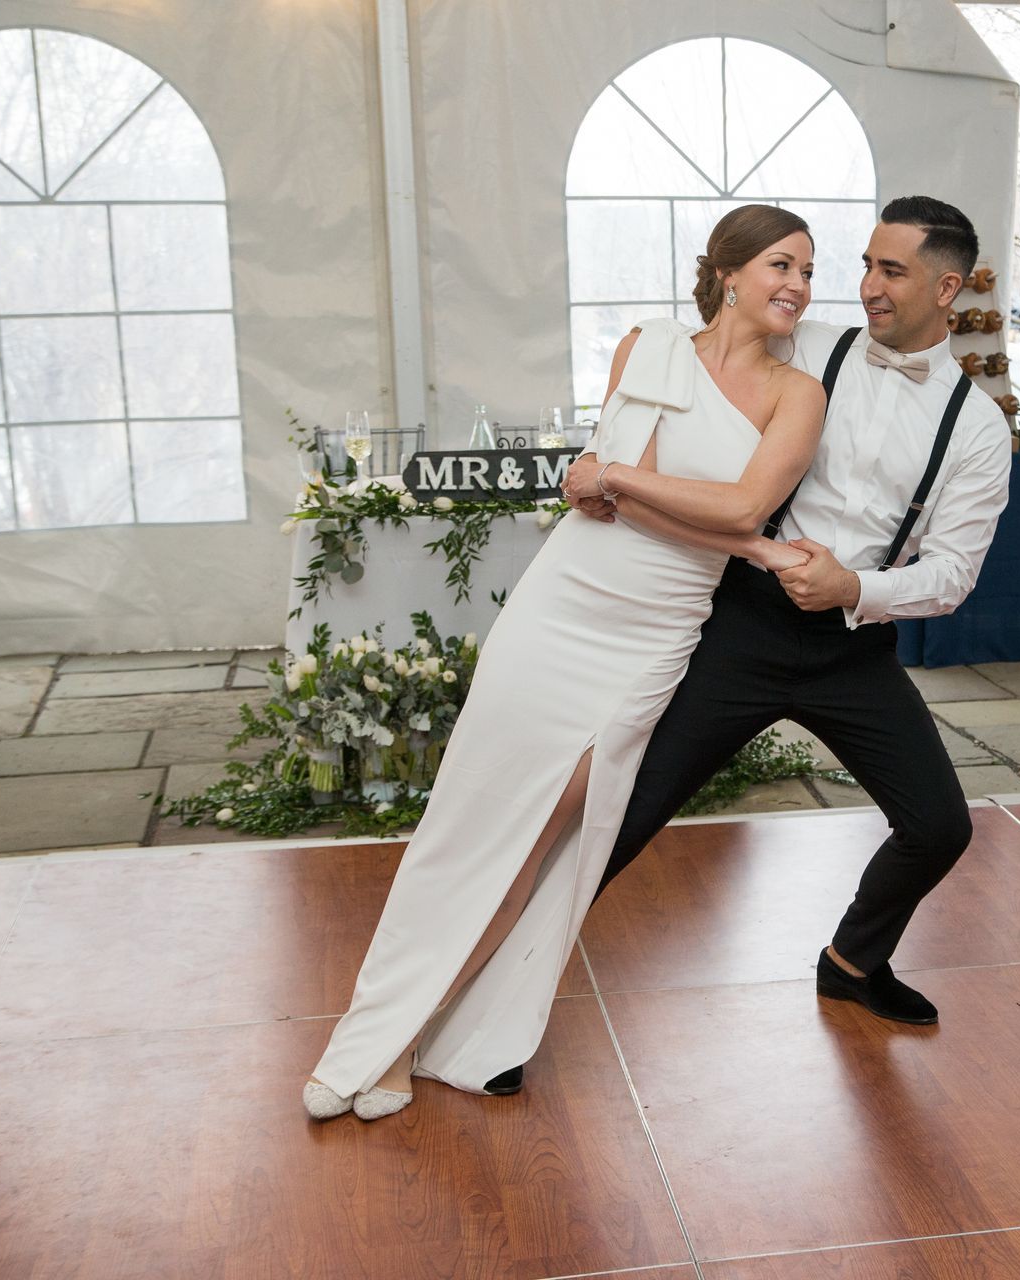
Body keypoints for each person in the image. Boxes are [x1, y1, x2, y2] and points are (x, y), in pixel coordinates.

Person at [303, 204, 826, 1119]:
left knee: (543, 834)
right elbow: (630, 505)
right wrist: (669, 508)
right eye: (781, 264)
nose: (797, 285)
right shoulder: (645, 346)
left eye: (807, 272)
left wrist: (630, 485)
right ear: (730, 272)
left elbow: (733, 507)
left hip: (653, 631)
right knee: (465, 825)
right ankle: (375, 1035)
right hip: (563, 602)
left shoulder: (798, 395)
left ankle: (410, 1039)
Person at [565, 195, 1012, 1029]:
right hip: (742, 624)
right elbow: (689, 378)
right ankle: (511, 986)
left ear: (948, 288)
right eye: (867, 266)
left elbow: (953, 574)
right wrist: (603, 452)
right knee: (627, 811)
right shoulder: (804, 344)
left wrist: (857, 591)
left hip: (852, 649)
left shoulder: (979, 427)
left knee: (940, 826)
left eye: (892, 271)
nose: (867, 287)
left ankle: (851, 964)